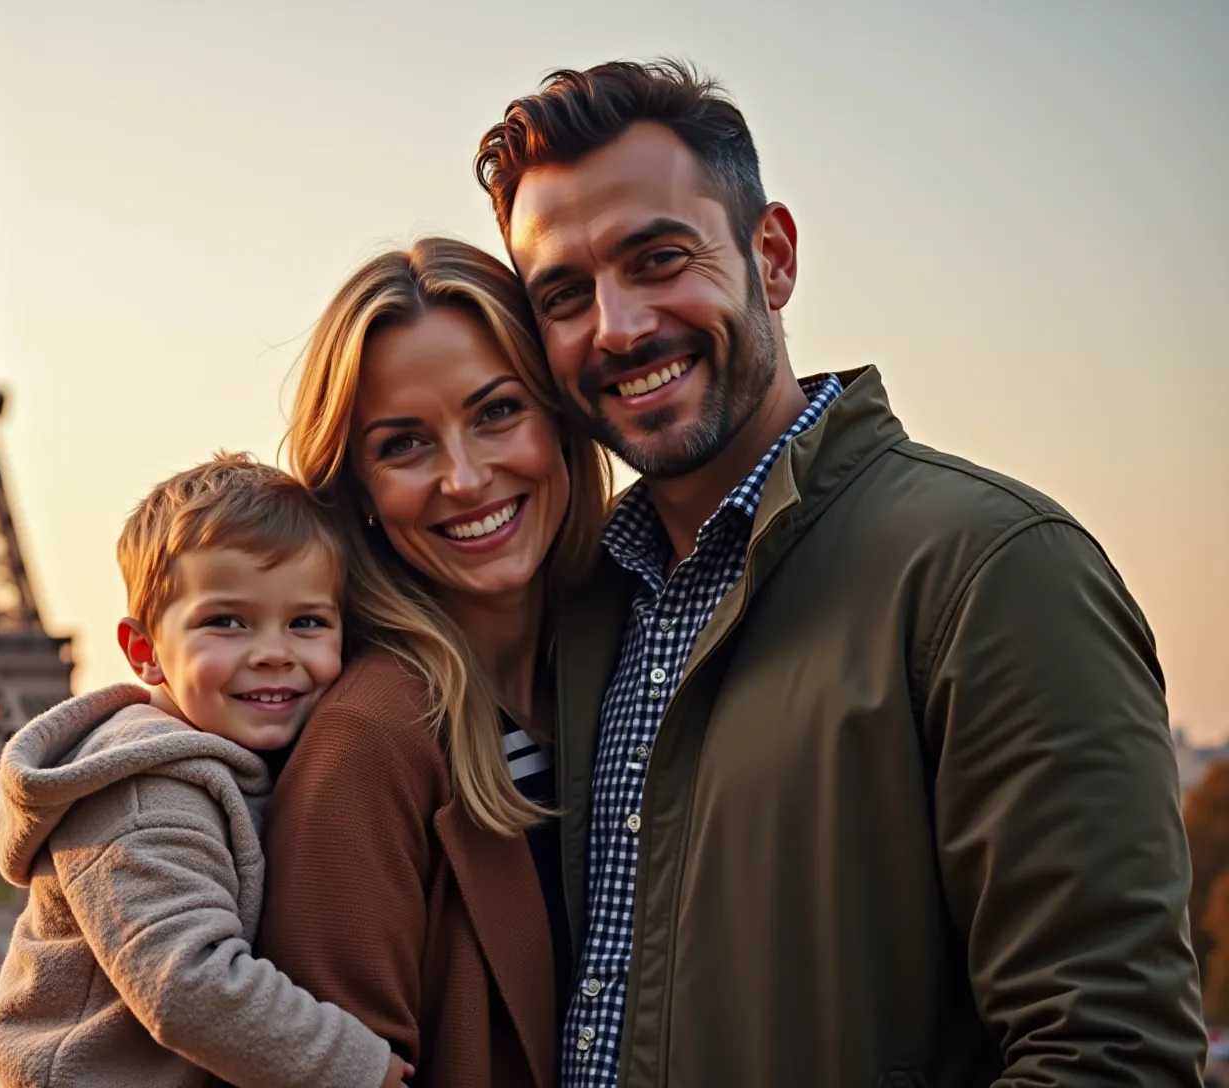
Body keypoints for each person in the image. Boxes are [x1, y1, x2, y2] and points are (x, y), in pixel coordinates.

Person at [472, 59, 1207, 1086]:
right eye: (565, 293)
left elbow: (1110, 1053)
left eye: (658, 258)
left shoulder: (992, 570)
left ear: (772, 257)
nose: (619, 326)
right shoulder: (577, 602)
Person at [260, 236, 611, 1087]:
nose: (464, 477)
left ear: (560, 421)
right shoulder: (369, 741)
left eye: (497, 412)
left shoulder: (625, 664)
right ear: (360, 494)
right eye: (403, 445)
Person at [0, 454, 409, 1088]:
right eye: (226, 622)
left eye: (307, 622)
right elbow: (186, 986)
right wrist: (356, 1068)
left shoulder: (221, 757)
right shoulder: (141, 794)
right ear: (145, 652)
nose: (272, 653)